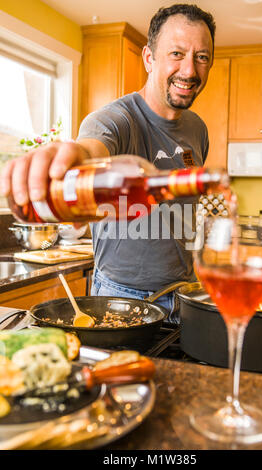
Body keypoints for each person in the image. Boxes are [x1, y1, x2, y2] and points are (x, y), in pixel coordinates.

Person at [0, 4, 216, 322]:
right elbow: (91, 150)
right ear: (148, 58)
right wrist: (75, 162)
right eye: (177, 53)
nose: (189, 71)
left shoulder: (198, 129)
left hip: (184, 294)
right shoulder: (115, 119)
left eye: (201, 57)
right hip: (121, 299)